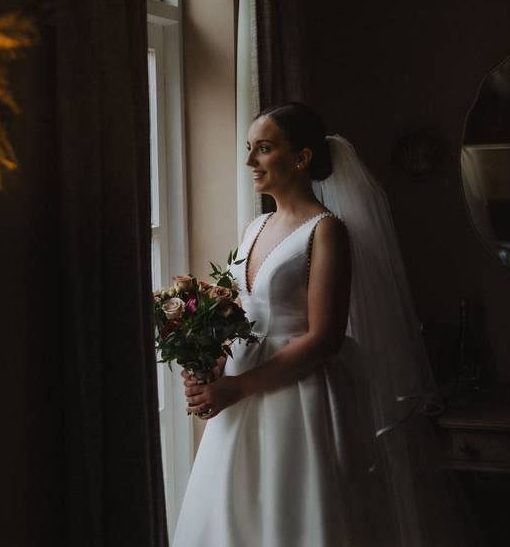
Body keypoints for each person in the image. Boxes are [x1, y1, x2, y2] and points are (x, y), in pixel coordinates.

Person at [171, 102, 456, 546]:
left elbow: (324, 339)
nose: (250, 161)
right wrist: (207, 368)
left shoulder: (327, 231)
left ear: (301, 158)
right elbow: (232, 314)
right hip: (239, 389)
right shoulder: (255, 227)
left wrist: (238, 387)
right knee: (236, 514)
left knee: (297, 517)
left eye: (263, 149)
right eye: (249, 149)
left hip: (298, 395)